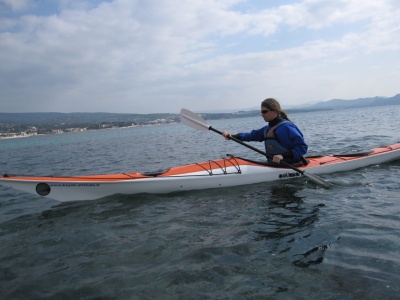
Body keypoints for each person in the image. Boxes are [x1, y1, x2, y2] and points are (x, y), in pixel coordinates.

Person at [222, 98, 308, 165]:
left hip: (291, 165)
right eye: (261, 112)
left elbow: (302, 147)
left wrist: (282, 156)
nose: (262, 114)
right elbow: (251, 135)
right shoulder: (267, 129)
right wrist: (232, 136)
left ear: (274, 111)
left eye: (264, 112)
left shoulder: (287, 127)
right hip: (275, 165)